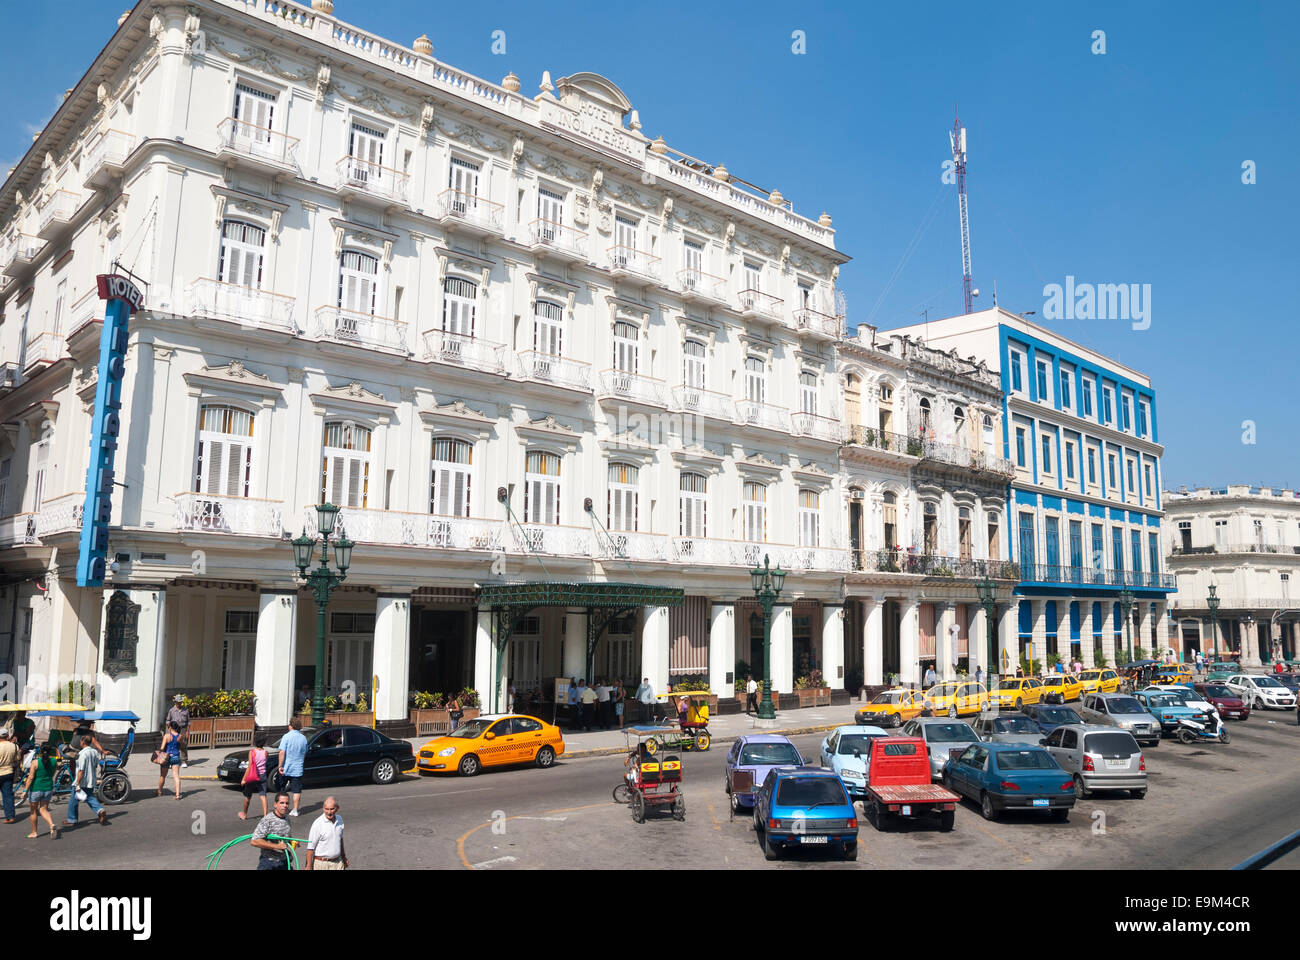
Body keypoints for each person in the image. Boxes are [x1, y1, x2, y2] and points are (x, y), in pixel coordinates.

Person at [64, 735, 108, 827]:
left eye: (80, 741)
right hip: (91, 779)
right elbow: (96, 764)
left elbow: (81, 770)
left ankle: (72, 819)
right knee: (89, 797)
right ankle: (100, 810)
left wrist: (77, 783)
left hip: (82, 780)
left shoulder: (82, 754)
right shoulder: (94, 752)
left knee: (73, 800)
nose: (80, 743)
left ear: (83, 742)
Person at [251, 793, 294, 870]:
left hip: (284, 861)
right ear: (275, 804)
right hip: (269, 863)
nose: (285, 805)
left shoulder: (287, 818)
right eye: (282, 803)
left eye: (287, 803)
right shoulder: (267, 820)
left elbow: (285, 838)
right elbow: (254, 841)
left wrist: (292, 841)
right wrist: (277, 846)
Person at [24, 744, 59, 839]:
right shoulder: (54, 761)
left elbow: (30, 777)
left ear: (40, 751)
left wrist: (25, 790)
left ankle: (34, 832)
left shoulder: (35, 762)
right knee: (44, 809)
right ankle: (51, 824)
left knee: (33, 811)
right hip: (48, 788)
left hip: (36, 788)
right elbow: (53, 773)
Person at [305, 795, 348, 870]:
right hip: (322, 864)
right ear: (323, 808)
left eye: (332, 809)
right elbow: (310, 848)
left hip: (338, 862)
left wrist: (344, 857)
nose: (329, 812)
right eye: (326, 809)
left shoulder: (339, 819)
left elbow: (340, 840)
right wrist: (308, 866)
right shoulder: (318, 824)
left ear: (337, 808)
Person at [277, 716, 308, 817]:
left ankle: (281, 807)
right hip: (297, 767)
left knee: (282, 788)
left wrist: (280, 765)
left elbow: (282, 752)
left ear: (291, 726)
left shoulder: (286, 736)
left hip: (286, 767)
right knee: (296, 790)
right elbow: (304, 753)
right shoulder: (303, 738)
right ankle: (295, 809)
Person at [239, 730, 269, 821]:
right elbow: (265, 763)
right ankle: (265, 816)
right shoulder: (266, 752)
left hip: (253, 775)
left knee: (247, 796)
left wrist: (244, 779)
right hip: (262, 774)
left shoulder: (252, 752)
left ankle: (244, 814)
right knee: (263, 795)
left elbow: (250, 766)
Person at [157, 721, 183, 800]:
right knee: (176, 776)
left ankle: (159, 792)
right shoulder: (180, 736)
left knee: (163, 776)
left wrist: (159, 752)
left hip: (167, 757)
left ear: (170, 727)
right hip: (176, 756)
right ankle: (177, 795)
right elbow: (180, 747)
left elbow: (162, 747)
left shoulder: (167, 736)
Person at [0, 728, 21, 823]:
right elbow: (17, 759)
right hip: (8, 772)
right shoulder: (14, 746)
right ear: (7, 736)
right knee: (8, 795)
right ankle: (10, 817)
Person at [166, 694, 191, 767]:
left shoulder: (186, 710)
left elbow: (189, 722)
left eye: (180, 702)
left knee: (183, 744)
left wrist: (187, 731)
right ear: (175, 702)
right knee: (172, 745)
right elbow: (168, 720)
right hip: (174, 729)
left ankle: (183, 761)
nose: (179, 703)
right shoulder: (171, 710)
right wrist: (170, 728)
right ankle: (171, 760)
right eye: (177, 702)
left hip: (183, 728)